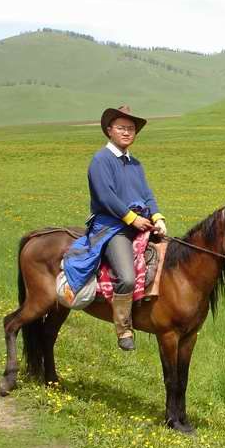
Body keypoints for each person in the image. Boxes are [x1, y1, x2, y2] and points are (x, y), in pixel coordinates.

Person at [63, 105, 166, 350]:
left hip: (138, 224)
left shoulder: (135, 164)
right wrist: (132, 219)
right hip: (112, 227)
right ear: (109, 130)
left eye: (131, 129)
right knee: (127, 277)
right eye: (121, 127)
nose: (127, 132)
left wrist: (158, 217)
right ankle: (123, 329)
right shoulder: (101, 160)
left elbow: (147, 194)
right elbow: (105, 196)